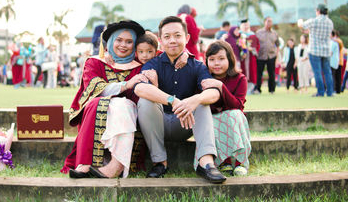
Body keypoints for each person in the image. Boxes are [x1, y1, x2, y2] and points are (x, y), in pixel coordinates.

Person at [135, 16, 226, 184]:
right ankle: (159, 163)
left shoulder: (197, 66)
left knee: (202, 103)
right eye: (167, 37)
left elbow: (214, 93)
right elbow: (140, 88)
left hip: (185, 123)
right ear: (160, 40)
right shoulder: (152, 64)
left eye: (177, 35)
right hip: (159, 122)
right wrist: (173, 101)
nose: (172, 41)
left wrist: (196, 99)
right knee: (145, 101)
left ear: (187, 38)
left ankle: (206, 162)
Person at [61, 20, 147, 179]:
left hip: (129, 117)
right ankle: (85, 163)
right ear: (110, 42)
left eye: (129, 42)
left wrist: (184, 54)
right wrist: (126, 85)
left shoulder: (141, 65)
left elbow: (160, 49)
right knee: (98, 102)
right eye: (119, 40)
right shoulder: (95, 62)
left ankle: (116, 165)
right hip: (99, 114)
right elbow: (96, 88)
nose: (124, 45)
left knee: (123, 105)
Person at [196, 40, 250, 176]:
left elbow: (237, 106)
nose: (216, 63)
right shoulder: (203, 79)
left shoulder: (240, 78)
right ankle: (223, 161)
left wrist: (221, 87)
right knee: (211, 119)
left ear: (229, 59)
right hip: (213, 118)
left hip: (234, 118)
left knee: (234, 115)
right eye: (212, 59)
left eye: (221, 59)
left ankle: (239, 161)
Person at [299, 4, 334, 97]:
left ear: (318, 11)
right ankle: (330, 92)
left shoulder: (313, 21)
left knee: (317, 72)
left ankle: (320, 92)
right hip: (326, 50)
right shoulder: (330, 22)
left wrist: (300, 21)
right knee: (327, 72)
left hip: (314, 51)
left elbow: (302, 26)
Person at [254, 17, 280, 94]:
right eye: (268, 21)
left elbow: (278, 45)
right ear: (264, 22)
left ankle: (272, 90)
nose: (269, 23)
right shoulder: (258, 32)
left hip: (271, 56)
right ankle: (258, 89)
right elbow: (254, 44)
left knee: (271, 73)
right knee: (259, 73)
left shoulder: (274, 33)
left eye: (271, 21)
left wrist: (277, 55)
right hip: (260, 56)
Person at [240, 19, 259, 94]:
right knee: (242, 72)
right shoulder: (239, 35)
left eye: (247, 24)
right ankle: (242, 89)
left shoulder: (253, 35)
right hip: (242, 58)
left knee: (252, 72)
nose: (245, 26)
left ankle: (250, 90)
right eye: (244, 25)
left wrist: (252, 49)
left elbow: (257, 46)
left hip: (251, 57)